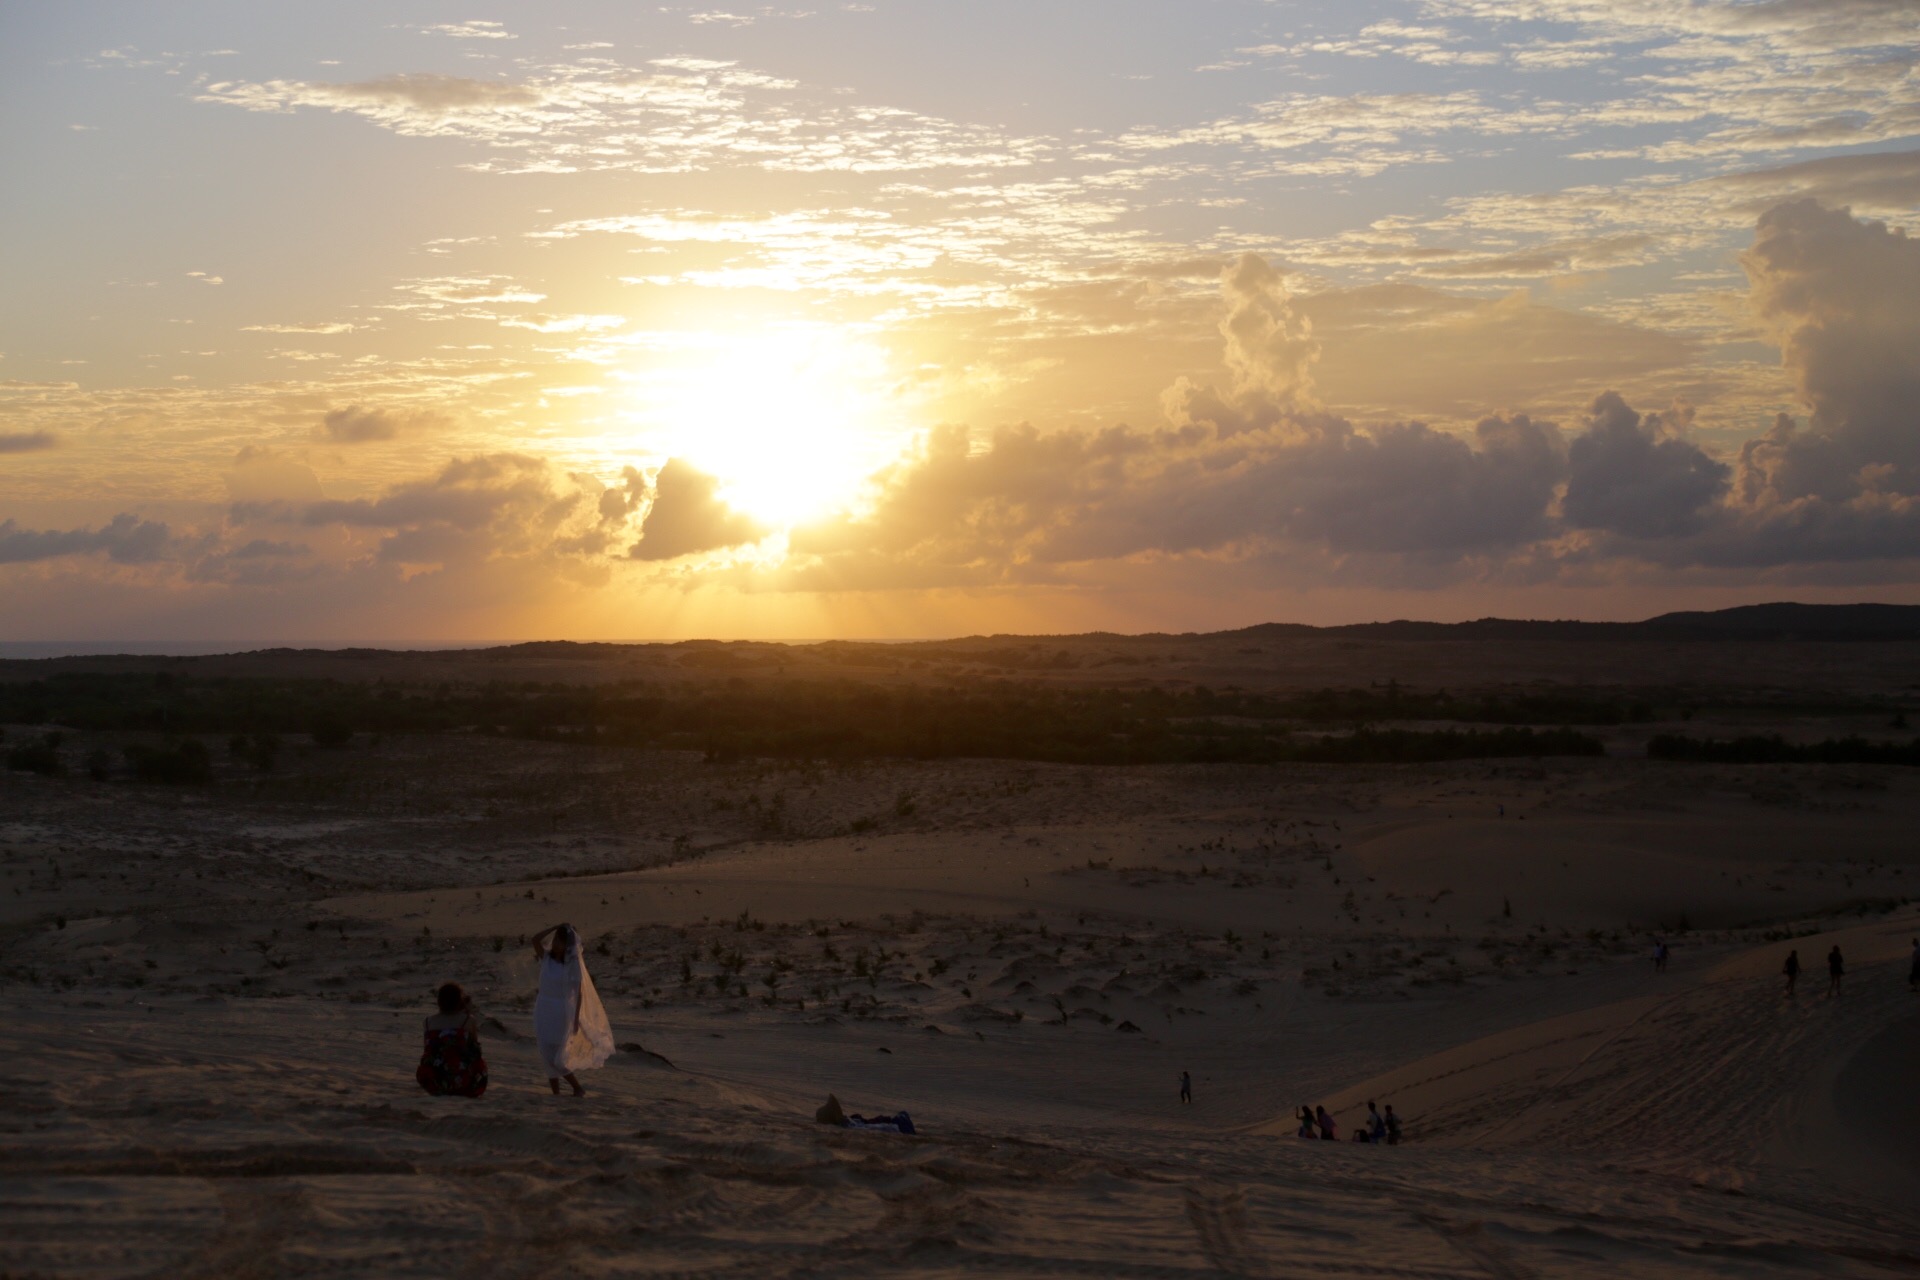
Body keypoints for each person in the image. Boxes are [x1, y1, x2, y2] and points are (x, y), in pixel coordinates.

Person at [531, 923, 615, 1095]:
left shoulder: (572, 966)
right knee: (545, 1049)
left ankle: (577, 1088)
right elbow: (535, 939)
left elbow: (578, 994)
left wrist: (576, 1019)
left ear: (567, 945)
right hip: (543, 1008)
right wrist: (554, 927)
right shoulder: (547, 958)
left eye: (559, 942)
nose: (555, 945)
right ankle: (555, 1092)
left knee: (557, 1056)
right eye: (555, 941)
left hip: (561, 1011)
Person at [416, 982, 488, 1097]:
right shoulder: (468, 1020)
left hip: (434, 1080)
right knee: (476, 1057)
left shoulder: (427, 1022)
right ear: (459, 1001)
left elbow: (428, 1050)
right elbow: (475, 1048)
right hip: (463, 1078)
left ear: (439, 1001)